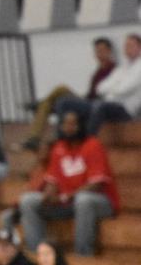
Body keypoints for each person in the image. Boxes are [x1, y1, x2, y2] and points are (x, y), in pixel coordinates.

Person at [18, 110, 119, 256]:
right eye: (65, 124)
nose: (68, 128)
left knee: (83, 200)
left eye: (73, 124)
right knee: (28, 200)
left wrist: (65, 197)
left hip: (100, 202)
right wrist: (48, 194)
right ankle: (36, 254)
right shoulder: (59, 147)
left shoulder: (93, 145)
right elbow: (52, 179)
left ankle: (83, 256)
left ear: (82, 126)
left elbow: (95, 184)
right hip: (67, 202)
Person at [21, 37, 116, 151]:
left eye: (102, 50)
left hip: (96, 104)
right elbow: (91, 93)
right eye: (96, 51)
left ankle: (39, 104)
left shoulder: (114, 70)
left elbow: (105, 94)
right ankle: (33, 138)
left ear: (109, 51)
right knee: (46, 105)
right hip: (87, 100)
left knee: (61, 89)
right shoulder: (98, 71)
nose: (99, 54)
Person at [56, 34, 141, 136]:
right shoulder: (122, 68)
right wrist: (114, 88)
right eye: (126, 46)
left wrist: (112, 88)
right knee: (64, 102)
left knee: (99, 106)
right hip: (106, 104)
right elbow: (100, 88)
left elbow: (124, 89)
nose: (127, 48)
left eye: (131, 45)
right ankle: (62, 140)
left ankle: (88, 144)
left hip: (125, 110)